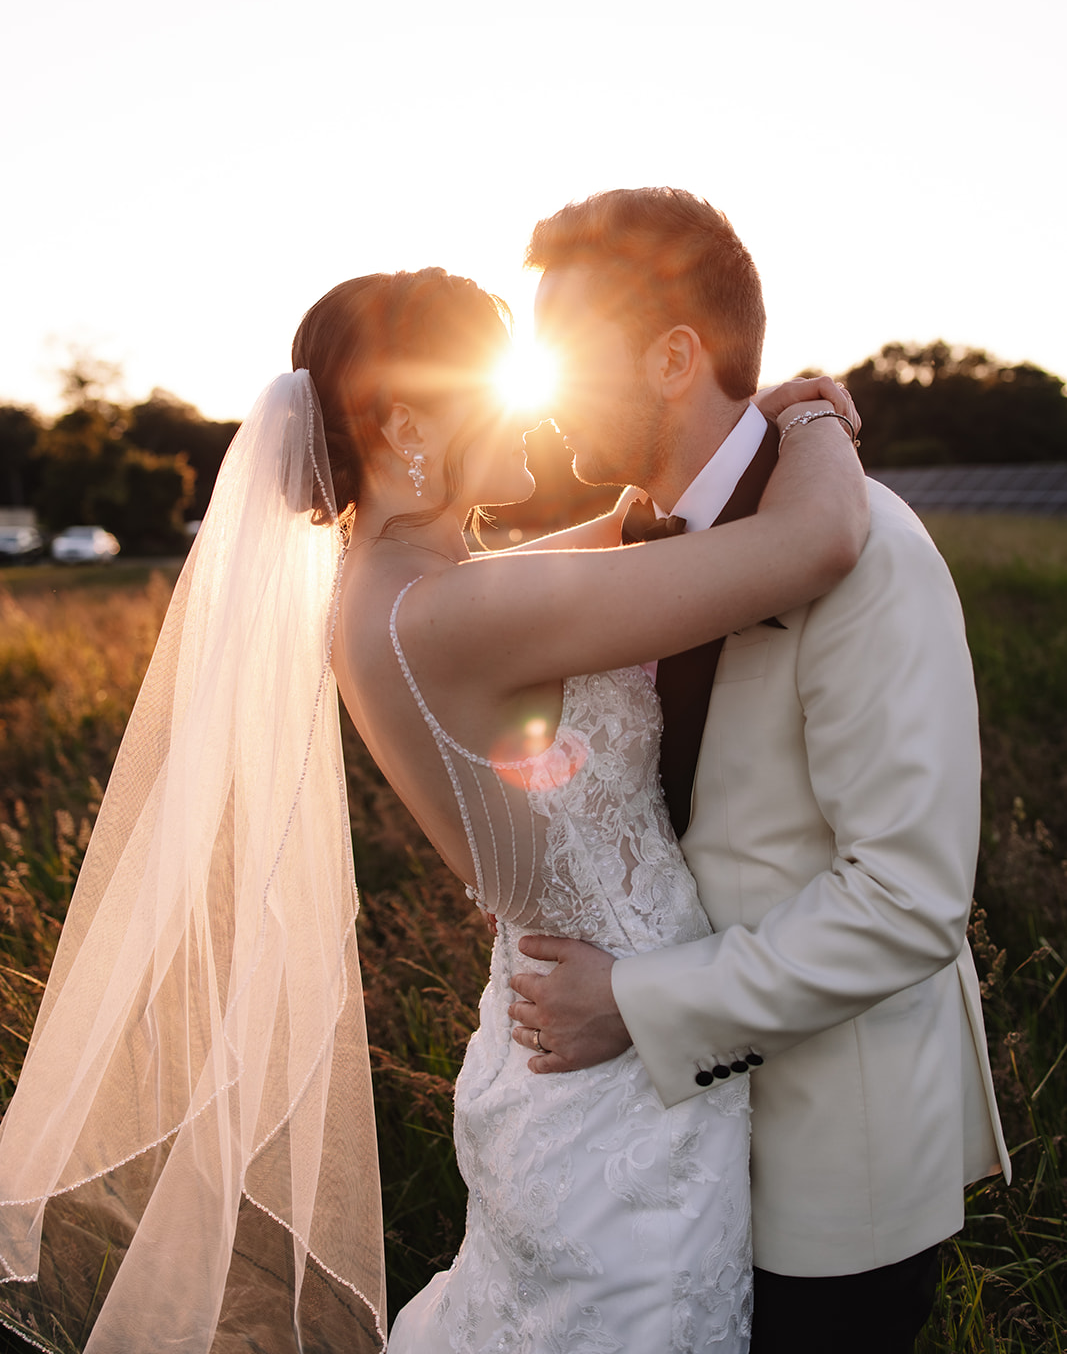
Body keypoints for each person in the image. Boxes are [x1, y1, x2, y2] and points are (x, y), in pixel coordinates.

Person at [0, 264, 862, 1354]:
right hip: (614, 1101)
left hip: (577, 1060)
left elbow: (603, 539)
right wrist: (816, 412)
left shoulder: (391, 587)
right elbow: (814, 544)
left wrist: (640, 502)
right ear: (407, 420)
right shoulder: (450, 612)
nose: (533, 406)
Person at [506, 188, 1011, 1354]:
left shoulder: (868, 551)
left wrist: (633, 1006)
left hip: (833, 1166)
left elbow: (906, 897)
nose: (542, 394)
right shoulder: (626, 550)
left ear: (674, 356)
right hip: (659, 1163)